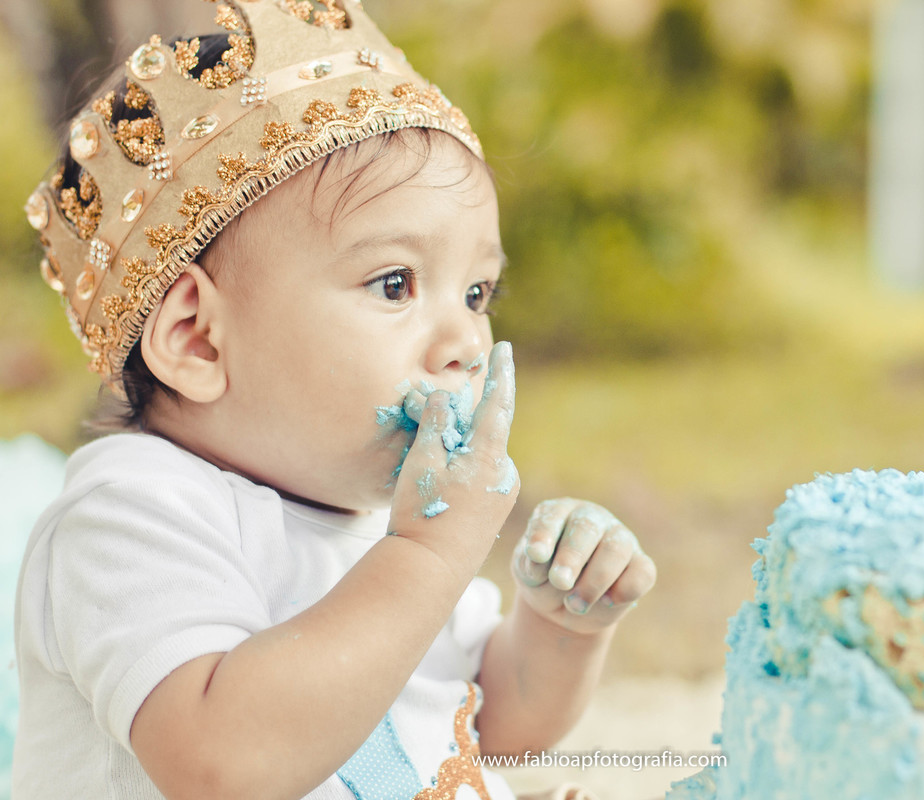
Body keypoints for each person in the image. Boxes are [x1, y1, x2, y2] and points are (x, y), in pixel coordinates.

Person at [13, 3, 656, 798]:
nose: (467, 341)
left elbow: (496, 729)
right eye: (396, 283)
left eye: (479, 291)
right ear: (198, 340)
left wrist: (563, 622)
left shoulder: (370, 524)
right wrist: (425, 558)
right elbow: (223, 766)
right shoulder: (130, 517)